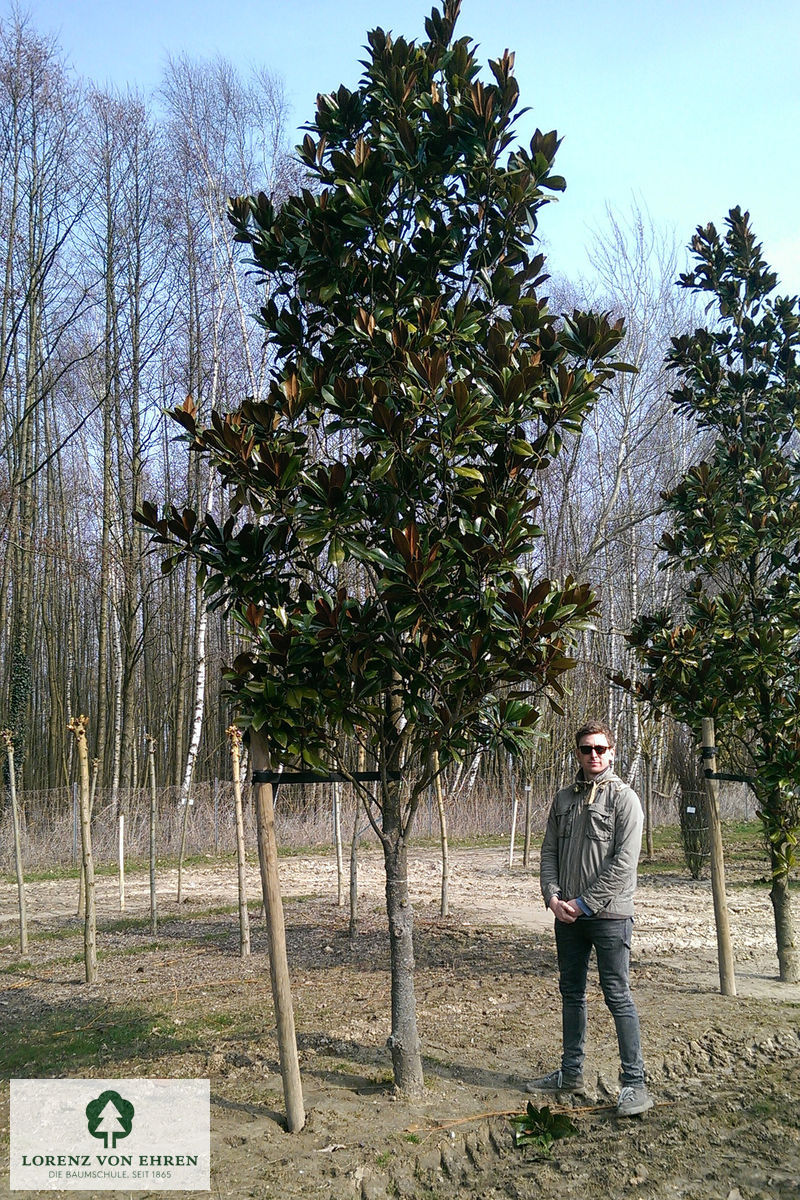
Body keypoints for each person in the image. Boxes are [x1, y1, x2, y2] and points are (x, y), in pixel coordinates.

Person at [528, 719, 653, 1117]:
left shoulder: (625, 800)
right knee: (571, 993)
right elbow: (548, 852)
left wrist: (584, 903)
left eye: (600, 748)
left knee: (617, 995)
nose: (593, 755)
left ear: (612, 752)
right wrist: (552, 897)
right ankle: (570, 1072)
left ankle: (634, 1084)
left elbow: (624, 865)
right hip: (567, 916)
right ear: (578, 753)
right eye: (586, 749)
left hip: (609, 916)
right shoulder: (563, 798)